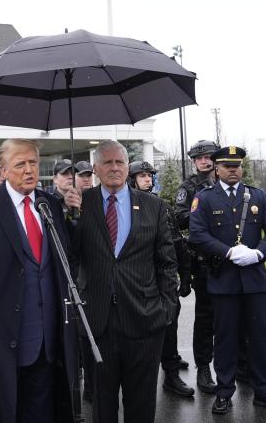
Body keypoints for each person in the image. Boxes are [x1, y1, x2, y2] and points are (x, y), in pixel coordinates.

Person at [0, 138, 78, 423]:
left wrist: (75, 214)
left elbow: (65, 259)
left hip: (45, 339)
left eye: (33, 162)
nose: (29, 169)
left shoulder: (50, 206)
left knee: (42, 411)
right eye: (20, 164)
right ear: (4, 171)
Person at [71, 142, 179, 423]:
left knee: (141, 404)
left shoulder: (153, 206)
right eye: (107, 163)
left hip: (145, 320)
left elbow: (166, 262)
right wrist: (70, 216)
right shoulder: (82, 203)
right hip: (98, 322)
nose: (115, 167)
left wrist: (167, 309)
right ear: (95, 169)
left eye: (119, 162)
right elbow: (69, 257)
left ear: (128, 167)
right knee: (102, 405)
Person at [188, 146, 266, 415]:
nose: (233, 169)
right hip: (224, 280)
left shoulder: (257, 196)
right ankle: (223, 392)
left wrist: (259, 252)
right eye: (227, 165)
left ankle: (264, 391)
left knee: (259, 338)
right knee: (225, 339)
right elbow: (197, 234)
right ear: (217, 168)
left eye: (237, 165)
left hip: (254, 280)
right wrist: (228, 251)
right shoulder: (205, 198)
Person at [128, 160, 193, 397]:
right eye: (142, 175)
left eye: (149, 175)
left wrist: (185, 276)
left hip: (163, 279)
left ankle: (171, 374)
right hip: (137, 281)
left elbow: (178, 243)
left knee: (170, 327)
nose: (147, 179)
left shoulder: (162, 206)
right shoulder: (125, 205)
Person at [172, 139, 220, 394]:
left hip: (230, 261)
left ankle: (240, 366)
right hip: (203, 261)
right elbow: (179, 217)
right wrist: (208, 213)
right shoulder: (189, 187)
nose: (204, 161)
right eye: (199, 158)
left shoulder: (226, 182)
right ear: (193, 161)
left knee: (234, 317)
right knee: (205, 317)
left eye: (209, 156)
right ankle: (204, 368)